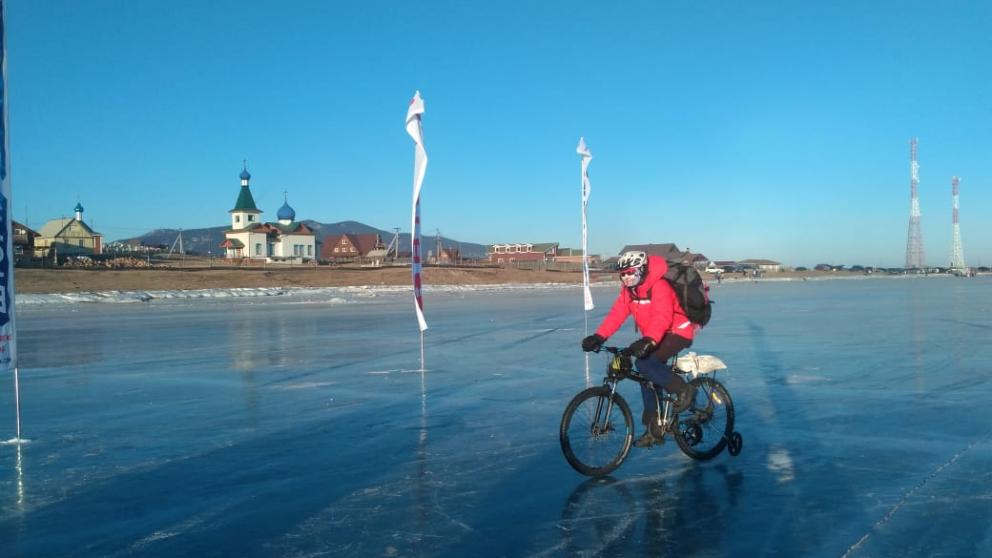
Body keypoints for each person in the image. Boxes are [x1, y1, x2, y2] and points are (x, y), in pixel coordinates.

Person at [581, 251, 697, 448]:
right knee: (645, 376)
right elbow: (617, 314)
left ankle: (684, 390)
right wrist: (599, 336)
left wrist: (649, 341)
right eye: (623, 274)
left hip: (677, 332)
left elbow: (662, 316)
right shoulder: (630, 291)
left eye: (630, 272)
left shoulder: (659, 286)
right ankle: (654, 429)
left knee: (645, 364)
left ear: (642, 270)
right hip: (654, 334)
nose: (626, 277)